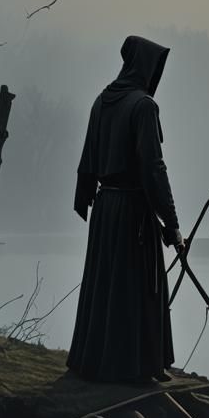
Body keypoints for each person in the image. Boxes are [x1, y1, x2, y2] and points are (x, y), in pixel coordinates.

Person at [68, 35, 183, 384]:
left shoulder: (102, 101)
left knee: (108, 285)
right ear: (147, 68)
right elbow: (153, 168)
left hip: (105, 209)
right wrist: (172, 223)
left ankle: (99, 362)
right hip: (133, 210)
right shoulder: (143, 106)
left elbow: (88, 160)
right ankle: (140, 368)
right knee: (139, 286)